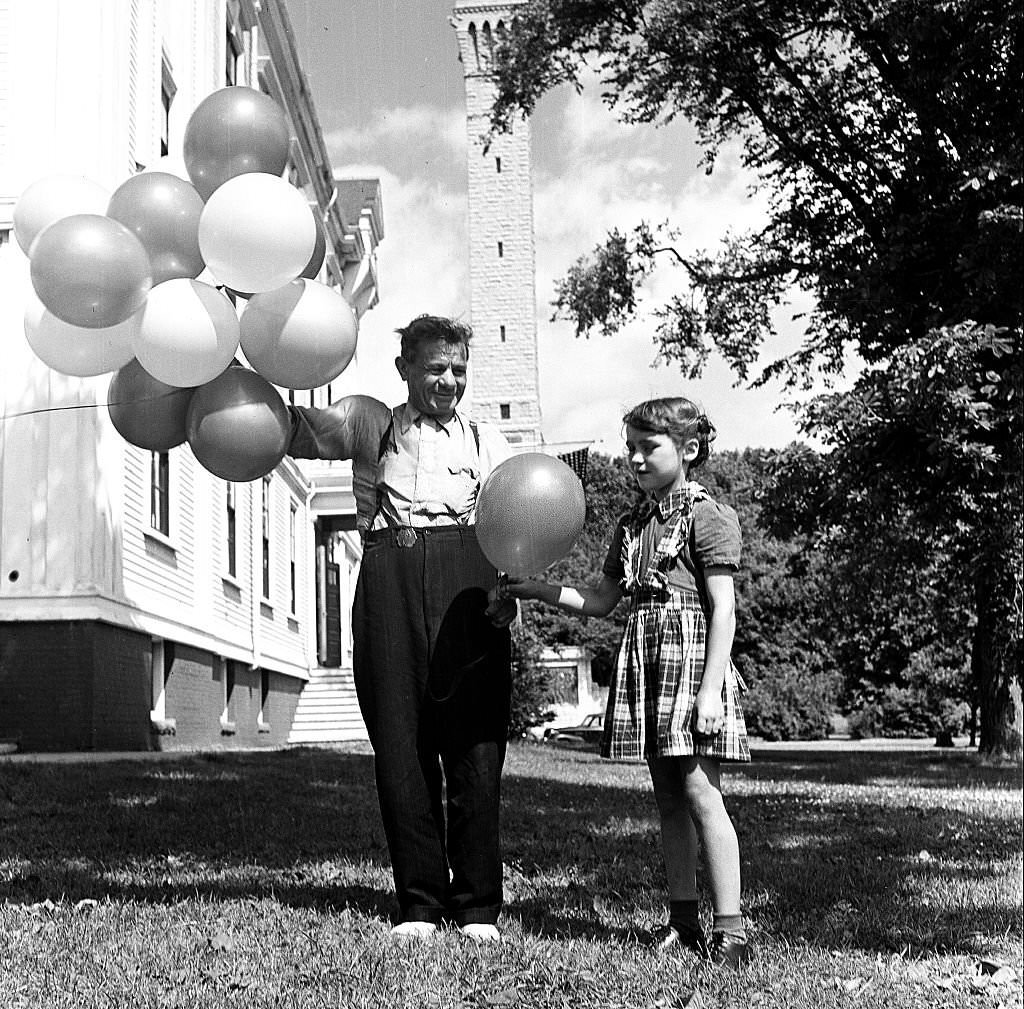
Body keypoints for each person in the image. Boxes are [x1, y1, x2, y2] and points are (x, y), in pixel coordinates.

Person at [496, 396, 753, 968]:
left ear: (688, 450)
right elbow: (602, 600)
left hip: (690, 662)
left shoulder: (707, 515)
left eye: (648, 447)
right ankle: (683, 921)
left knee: (700, 793)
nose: (635, 459)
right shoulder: (631, 524)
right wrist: (539, 590)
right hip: (646, 658)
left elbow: (724, 610)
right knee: (667, 799)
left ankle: (731, 931)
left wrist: (711, 689)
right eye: (629, 448)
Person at [287, 314, 518, 942]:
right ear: (405, 369)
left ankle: (475, 906)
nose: (449, 381)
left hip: (470, 582)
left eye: (460, 370)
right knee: (400, 743)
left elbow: (515, 526)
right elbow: (299, 432)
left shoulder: (485, 439)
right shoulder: (372, 423)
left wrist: (510, 597)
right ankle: (418, 901)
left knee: (475, 747)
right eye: (436, 368)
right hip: (388, 575)